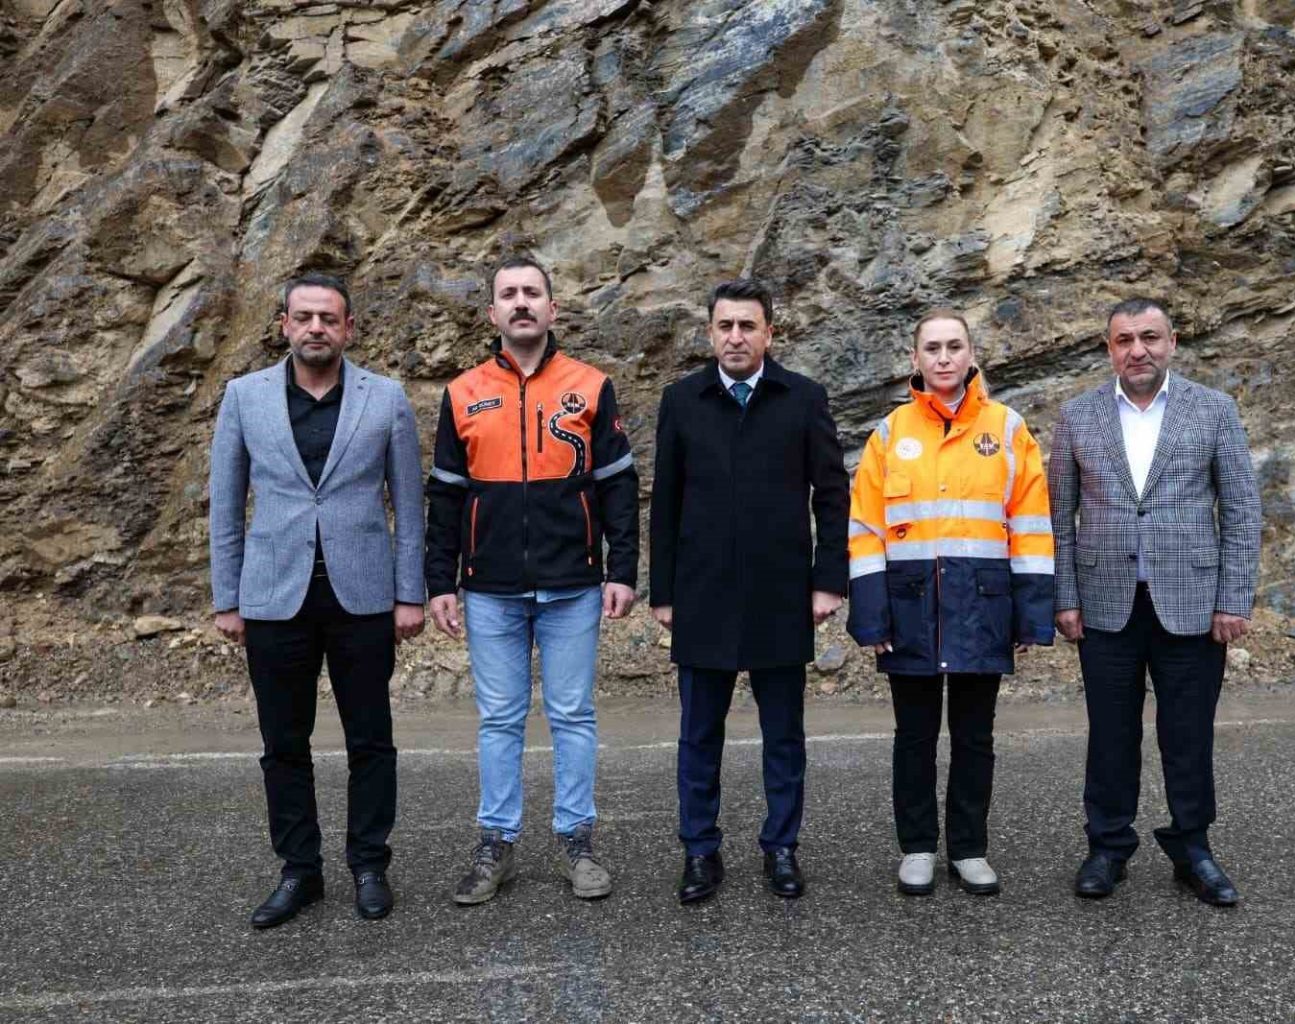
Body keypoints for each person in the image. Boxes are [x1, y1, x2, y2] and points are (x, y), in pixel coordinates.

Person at [209, 271, 426, 928]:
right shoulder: (244, 397)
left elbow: (408, 506)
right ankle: (299, 870)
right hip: (274, 597)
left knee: (371, 740)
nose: (315, 328)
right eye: (303, 317)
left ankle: (370, 864)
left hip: (363, 597)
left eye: (329, 318)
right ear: (284, 324)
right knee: (283, 743)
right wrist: (227, 598)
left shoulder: (385, 399)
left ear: (348, 328)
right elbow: (226, 506)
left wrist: (409, 594)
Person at [425, 255, 639, 906]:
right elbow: (446, 496)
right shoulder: (462, 393)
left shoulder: (591, 386)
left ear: (552, 308)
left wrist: (622, 570)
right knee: (500, 719)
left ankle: (577, 841)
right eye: (509, 294)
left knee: (572, 714)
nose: (522, 302)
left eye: (532, 292)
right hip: (490, 587)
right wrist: (440, 582)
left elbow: (619, 486)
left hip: (573, 584)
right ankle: (496, 841)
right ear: (492, 312)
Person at [1048, 296, 1261, 907]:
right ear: (1109, 349)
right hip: (1105, 602)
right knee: (1110, 735)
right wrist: (1065, 595)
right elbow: (1059, 517)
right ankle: (1107, 847)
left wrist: (1233, 599)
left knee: (1187, 733)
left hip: (1192, 600)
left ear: (1172, 342)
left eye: (1149, 337)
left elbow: (1242, 510)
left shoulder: (1213, 410)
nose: (1137, 350)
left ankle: (1192, 847)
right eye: (1124, 340)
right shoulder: (1078, 415)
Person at [649, 277, 849, 904]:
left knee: (783, 733)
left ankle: (781, 847)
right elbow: (665, 501)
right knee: (698, 735)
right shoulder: (682, 400)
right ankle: (699, 850)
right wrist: (663, 592)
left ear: (769, 333)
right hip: (701, 592)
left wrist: (828, 580)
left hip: (781, 593)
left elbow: (832, 495)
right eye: (725, 326)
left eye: (748, 326)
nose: (736, 337)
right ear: (710, 333)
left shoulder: (803, 398)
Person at [845, 310, 1054, 897]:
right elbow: (865, 528)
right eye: (932, 348)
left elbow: (1031, 524)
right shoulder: (890, 434)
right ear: (914, 358)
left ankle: (969, 849)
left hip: (982, 607)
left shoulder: (1007, 429)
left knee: (974, 737)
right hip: (909, 608)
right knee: (913, 736)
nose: (943, 357)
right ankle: (916, 848)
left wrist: (1030, 612)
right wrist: (871, 614)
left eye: (954, 346)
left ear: (971, 355)